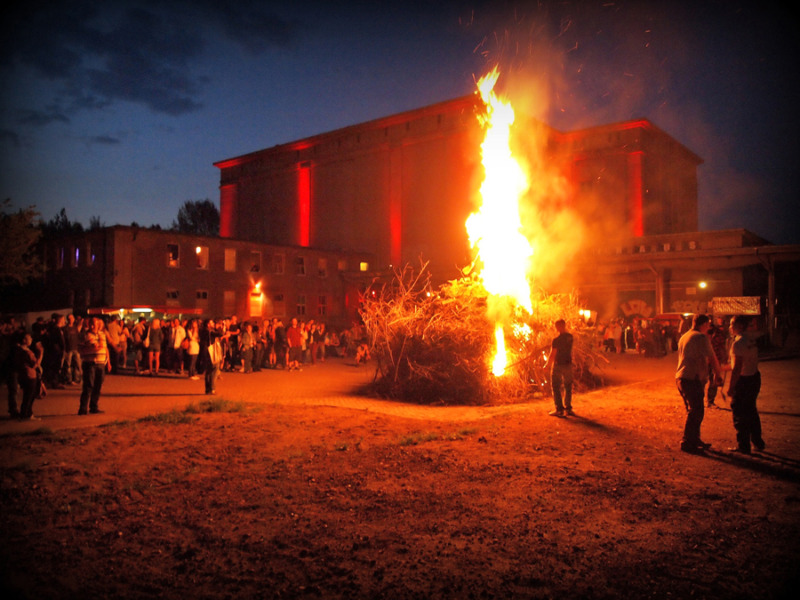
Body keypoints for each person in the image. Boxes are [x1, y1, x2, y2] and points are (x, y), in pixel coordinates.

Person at [675, 314, 724, 454]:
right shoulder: (701, 337)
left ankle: (694, 439)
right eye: (708, 325)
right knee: (696, 411)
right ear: (703, 324)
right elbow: (712, 357)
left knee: (694, 411)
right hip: (692, 378)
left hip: (681, 378)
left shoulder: (685, 336)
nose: (709, 328)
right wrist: (718, 375)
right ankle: (687, 441)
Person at [726, 315, 765, 454]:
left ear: (739, 326)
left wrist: (731, 387)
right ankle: (757, 441)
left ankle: (743, 445)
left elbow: (737, 368)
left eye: (732, 324)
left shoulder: (738, 343)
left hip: (744, 381)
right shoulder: (750, 339)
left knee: (739, 413)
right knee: (751, 410)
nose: (730, 327)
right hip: (754, 377)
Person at [78, 316, 110, 415]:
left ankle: (94, 406)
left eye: (94, 324)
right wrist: (100, 342)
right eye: (91, 324)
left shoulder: (102, 334)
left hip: (101, 363)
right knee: (88, 386)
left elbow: (104, 348)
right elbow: (95, 346)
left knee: (98, 386)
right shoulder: (87, 335)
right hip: (90, 363)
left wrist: (108, 361)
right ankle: (83, 408)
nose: (92, 326)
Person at [545, 319, 575, 417]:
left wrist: (547, 365)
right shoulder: (570, 337)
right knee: (568, 386)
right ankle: (568, 408)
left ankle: (559, 409)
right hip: (568, 364)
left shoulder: (556, 340)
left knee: (556, 386)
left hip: (558, 365)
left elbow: (553, 354)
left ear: (558, 327)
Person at [14, 333, 42, 420]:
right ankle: (27, 414)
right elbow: (35, 364)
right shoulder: (26, 352)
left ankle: (25, 413)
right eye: (29, 338)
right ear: (24, 340)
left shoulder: (19, 350)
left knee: (27, 395)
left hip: (25, 375)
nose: (31, 339)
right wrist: (41, 353)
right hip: (30, 375)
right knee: (29, 396)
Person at [706, 316, 729, 408]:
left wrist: (725, 357)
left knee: (714, 380)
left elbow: (721, 346)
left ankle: (710, 401)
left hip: (715, 359)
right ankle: (698, 401)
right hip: (703, 361)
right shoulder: (700, 333)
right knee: (701, 381)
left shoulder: (718, 333)